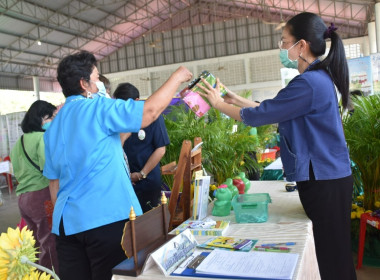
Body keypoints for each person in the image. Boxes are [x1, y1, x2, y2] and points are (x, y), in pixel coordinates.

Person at [198, 12, 356, 280]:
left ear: (302, 45)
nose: (282, 48)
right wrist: (233, 98)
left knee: (332, 257)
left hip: (325, 179)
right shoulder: (317, 79)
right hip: (329, 176)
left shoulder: (309, 83)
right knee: (334, 252)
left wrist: (217, 104)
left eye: (285, 42)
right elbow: (272, 109)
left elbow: (259, 116)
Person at [43, 50, 192, 280]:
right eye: (97, 78)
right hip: (106, 222)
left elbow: (54, 184)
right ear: (85, 84)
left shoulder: (53, 127)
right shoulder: (97, 108)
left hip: (66, 227)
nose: (100, 85)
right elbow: (149, 112)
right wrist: (178, 76)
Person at [10, 100, 59, 273]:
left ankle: (38, 274)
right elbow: (49, 169)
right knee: (49, 240)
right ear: (41, 118)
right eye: (50, 117)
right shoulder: (42, 138)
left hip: (24, 198)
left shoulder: (19, 142)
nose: (53, 121)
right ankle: (51, 275)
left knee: (36, 241)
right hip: (42, 195)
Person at [113, 83, 170, 213]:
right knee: (129, 226)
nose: (123, 111)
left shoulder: (153, 117)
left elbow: (160, 149)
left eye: (127, 106)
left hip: (148, 181)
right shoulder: (118, 120)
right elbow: (115, 150)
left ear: (137, 102)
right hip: (125, 184)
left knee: (148, 223)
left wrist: (141, 174)